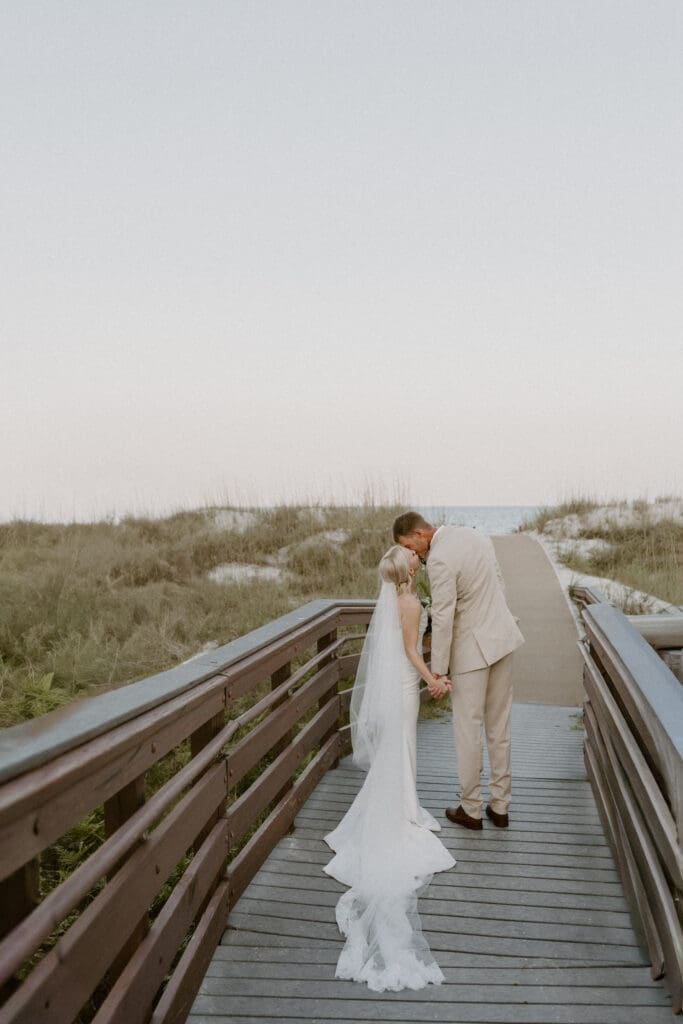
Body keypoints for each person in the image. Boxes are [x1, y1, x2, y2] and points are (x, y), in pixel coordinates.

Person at [323, 545, 455, 992]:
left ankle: (402, 806)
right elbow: (410, 651)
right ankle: (404, 814)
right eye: (414, 559)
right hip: (404, 686)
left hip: (397, 685)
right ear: (407, 572)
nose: (418, 559)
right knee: (403, 747)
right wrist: (434, 679)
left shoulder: (394, 601)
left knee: (399, 751)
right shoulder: (411, 603)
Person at [393, 511, 524, 831]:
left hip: (471, 652)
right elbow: (499, 584)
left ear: (419, 535)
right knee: (499, 729)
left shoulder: (439, 559)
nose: (414, 555)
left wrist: (437, 671)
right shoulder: (475, 536)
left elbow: (443, 614)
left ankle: (471, 808)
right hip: (503, 639)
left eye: (410, 546)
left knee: (468, 731)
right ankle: (501, 805)